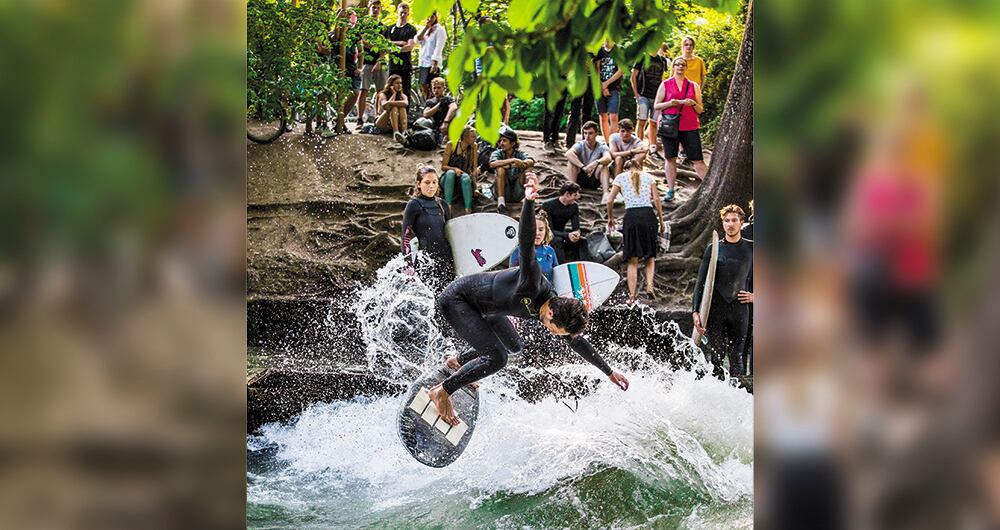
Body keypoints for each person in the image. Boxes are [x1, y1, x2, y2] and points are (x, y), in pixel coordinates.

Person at [427, 173, 630, 425]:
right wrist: (529, 202)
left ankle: (457, 362)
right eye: (556, 330)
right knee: (497, 358)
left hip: (487, 310)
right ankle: (442, 391)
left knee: (515, 347)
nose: (555, 334)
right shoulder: (532, 282)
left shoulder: (555, 307)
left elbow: (576, 341)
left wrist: (609, 373)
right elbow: (524, 242)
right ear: (552, 314)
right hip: (458, 300)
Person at [692, 204, 753, 380]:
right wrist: (695, 311)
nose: (730, 224)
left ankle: (738, 397)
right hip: (716, 309)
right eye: (726, 221)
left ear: (742, 223)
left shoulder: (752, 248)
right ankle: (717, 397)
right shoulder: (714, 248)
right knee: (716, 356)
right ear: (722, 223)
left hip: (740, 309)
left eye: (734, 220)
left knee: (737, 356)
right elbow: (701, 282)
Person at [606, 161, 665, 302]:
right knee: (650, 255)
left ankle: (632, 296)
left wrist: (610, 218)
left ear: (626, 169)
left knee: (633, 260)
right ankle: (649, 286)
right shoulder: (648, 177)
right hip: (648, 215)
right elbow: (656, 199)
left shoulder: (620, 177)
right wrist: (661, 220)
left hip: (631, 217)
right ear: (640, 168)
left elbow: (609, 200)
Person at [654, 57, 708, 202]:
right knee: (670, 157)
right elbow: (656, 106)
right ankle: (670, 191)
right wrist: (669, 103)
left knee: (697, 159)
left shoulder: (693, 86)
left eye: (683, 65)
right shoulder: (665, 84)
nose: (680, 67)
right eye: (677, 64)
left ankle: (709, 188)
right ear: (673, 67)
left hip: (690, 126)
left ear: (686, 67)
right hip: (671, 126)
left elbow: (700, 109)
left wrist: (693, 104)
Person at [401, 166, 454, 285]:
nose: (431, 186)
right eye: (427, 182)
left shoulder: (443, 205)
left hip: (446, 261)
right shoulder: (414, 205)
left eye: (435, 182)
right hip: (426, 262)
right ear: (418, 184)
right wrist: (409, 265)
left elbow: (452, 234)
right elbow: (405, 237)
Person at [631, 44, 670, 155]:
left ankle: (652, 148)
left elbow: (663, 77)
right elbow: (633, 76)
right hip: (643, 94)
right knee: (641, 120)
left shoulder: (662, 60)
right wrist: (636, 94)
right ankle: (639, 147)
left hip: (657, 96)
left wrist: (663, 95)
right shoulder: (642, 57)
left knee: (653, 123)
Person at [564, 121, 613, 204]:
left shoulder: (602, 146)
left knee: (604, 166)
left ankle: (606, 194)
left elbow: (608, 158)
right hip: (580, 176)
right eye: (585, 133)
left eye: (590, 133)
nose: (587, 136)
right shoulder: (580, 144)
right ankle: (573, 191)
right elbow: (568, 153)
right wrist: (583, 167)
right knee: (571, 163)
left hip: (594, 178)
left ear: (596, 134)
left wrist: (596, 163)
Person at [489, 127, 535, 213]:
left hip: (517, 192)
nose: (501, 143)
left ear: (513, 143)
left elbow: (531, 161)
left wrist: (522, 164)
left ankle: (529, 199)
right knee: (500, 169)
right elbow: (492, 164)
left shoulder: (520, 154)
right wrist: (512, 161)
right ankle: (501, 204)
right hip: (501, 191)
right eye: (500, 141)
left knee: (528, 169)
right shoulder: (497, 153)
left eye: (504, 141)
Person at [358, 0, 388, 122]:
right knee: (363, 90)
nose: (375, 10)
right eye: (373, 7)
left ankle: (378, 118)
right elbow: (362, 41)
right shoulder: (363, 24)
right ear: (369, 7)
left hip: (379, 63)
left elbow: (385, 46)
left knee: (381, 91)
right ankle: (360, 118)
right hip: (365, 62)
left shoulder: (383, 27)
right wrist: (376, 46)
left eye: (378, 8)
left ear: (380, 9)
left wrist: (379, 61)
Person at [510, 211, 559, 283]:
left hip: (548, 292)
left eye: (541, 230)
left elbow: (558, 274)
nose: (537, 233)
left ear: (546, 232)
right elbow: (511, 277)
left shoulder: (550, 251)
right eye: (533, 229)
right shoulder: (518, 250)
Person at [440, 125, 479, 214]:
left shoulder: (474, 146)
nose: (475, 139)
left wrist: (475, 187)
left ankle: (468, 209)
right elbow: (443, 166)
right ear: (465, 137)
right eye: (473, 137)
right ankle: (448, 207)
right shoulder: (451, 144)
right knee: (450, 173)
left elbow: (474, 168)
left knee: (465, 177)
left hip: (462, 180)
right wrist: (455, 169)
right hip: (447, 179)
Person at [542, 183, 583, 263]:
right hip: (549, 234)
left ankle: (586, 263)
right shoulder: (548, 205)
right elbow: (549, 229)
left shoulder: (574, 206)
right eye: (574, 195)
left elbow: (576, 226)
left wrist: (576, 233)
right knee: (558, 241)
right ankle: (560, 265)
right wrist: (567, 235)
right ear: (567, 194)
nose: (577, 197)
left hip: (563, 233)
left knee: (582, 240)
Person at [385, 2, 417, 99]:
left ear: (408, 14)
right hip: (392, 65)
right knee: (391, 90)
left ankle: (405, 114)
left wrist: (394, 47)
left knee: (405, 91)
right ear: (397, 12)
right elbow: (386, 45)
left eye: (405, 13)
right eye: (401, 12)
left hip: (405, 66)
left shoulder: (411, 29)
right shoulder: (389, 28)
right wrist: (401, 43)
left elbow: (410, 47)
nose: (403, 15)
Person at [594, 39, 623, 144]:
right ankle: (606, 142)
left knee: (613, 115)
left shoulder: (619, 50)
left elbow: (621, 70)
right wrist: (603, 86)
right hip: (600, 87)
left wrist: (607, 83)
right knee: (603, 115)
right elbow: (596, 69)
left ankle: (612, 142)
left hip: (614, 87)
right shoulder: (599, 51)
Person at [415, 11, 446, 100]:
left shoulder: (440, 30)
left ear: (435, 17)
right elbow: (417, 40)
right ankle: (427, 105)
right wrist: (426, 28)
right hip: (423, 62)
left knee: (434, 87)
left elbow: (439, 46)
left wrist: (434, 62)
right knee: (423, 86)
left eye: (431, 17)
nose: (429, 19)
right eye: (427, 16)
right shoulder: (424, 29)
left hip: (432, 63)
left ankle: (434, 107)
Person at [422, 77, 457, 143]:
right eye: (434, 88)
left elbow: (454, 108)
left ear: (444, 88)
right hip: (436, 128)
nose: (436, 90)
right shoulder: (430, 101)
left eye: (439, 88)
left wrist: (446, 122)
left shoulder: (447, 99)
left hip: (448, 125)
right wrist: (439, 105)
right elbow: (426, 114)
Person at [375, 74, 409, 142]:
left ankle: (404, 132)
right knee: (393, 107)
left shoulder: (402, 95)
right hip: (382, 122)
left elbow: (405, 103)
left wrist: (390, 103)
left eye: (400, 83)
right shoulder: (382, 94)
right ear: (391, 84)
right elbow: (385, 106)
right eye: (397, 83)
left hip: (392, 123)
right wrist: (394, 94)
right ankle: (395, 132)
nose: (399, 85)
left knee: (402, 108)